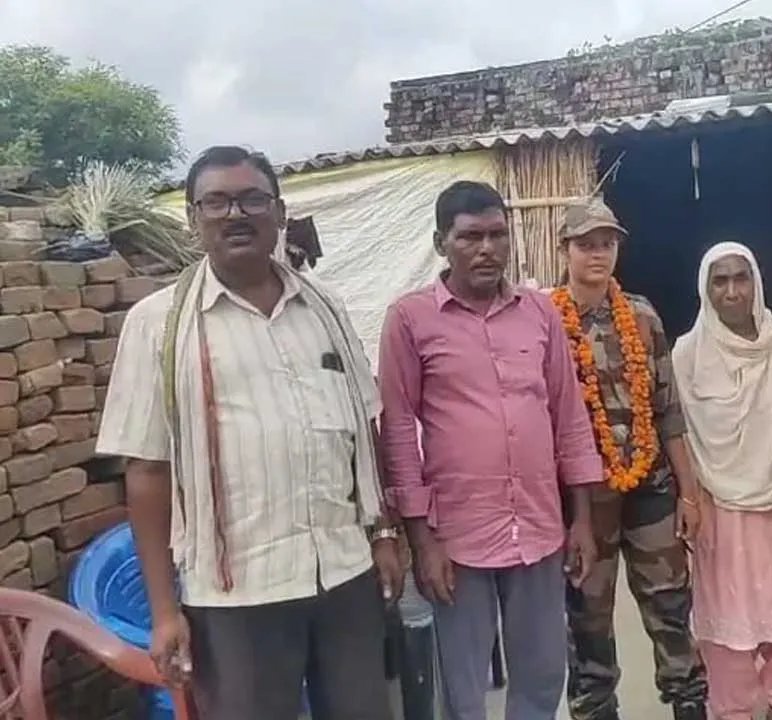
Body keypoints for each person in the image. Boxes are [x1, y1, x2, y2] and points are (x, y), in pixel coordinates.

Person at [97, 146, 401, 720]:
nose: (235, 214)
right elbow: (147, 470)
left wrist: (383, 533)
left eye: (252, 200)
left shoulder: (326, 309)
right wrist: (164, 612)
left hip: (344, 574)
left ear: (279, 213)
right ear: (193, 218)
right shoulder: (159, 325)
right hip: (236, 597)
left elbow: (362, 427)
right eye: (216, 202)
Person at [377, 180, 603, 720]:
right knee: (464, 689)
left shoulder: (539, 313)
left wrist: (581, 520)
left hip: (540, 528)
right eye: (470, 237)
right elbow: (398, 432)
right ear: (441, 243)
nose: (486, 249)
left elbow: (568, 415)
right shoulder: (409, 319)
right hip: (458, 539)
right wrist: (421, 542)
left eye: (497, 235)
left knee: (542, 676)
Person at [551, 196, 709, 720]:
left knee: (671, 605)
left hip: (650, 488)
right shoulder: (546, 320)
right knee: (588, 617)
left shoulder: (641, 315)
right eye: (586, 244)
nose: (598, 253)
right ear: (565, 249)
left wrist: (688, 493)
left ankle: (689, 703)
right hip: (582, 499)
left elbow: (669, 410)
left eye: (607, 243)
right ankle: (596, 708)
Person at [672, 242, 772, 720]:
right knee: (725, 623)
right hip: (717, 507)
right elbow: (679, 431)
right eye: (720, 281)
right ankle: (731, 708)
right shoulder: (688, 354)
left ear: (756, 282)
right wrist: (688, 497)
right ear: (705, 289)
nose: (732, 291)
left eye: (741, 278)